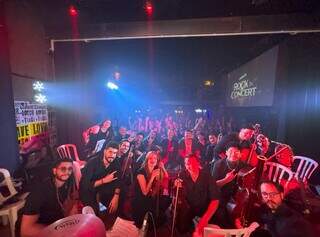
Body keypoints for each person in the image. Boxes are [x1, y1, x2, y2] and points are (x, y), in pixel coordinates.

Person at [18, 158, 79, 237]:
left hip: (54, 226)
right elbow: (26, 231)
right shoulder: (40, 191)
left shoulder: (67, 186)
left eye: (70, 169)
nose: (67, 172)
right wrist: (60, 231)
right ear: (54, 171)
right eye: (63, 169)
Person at [174, 154, 220, 236]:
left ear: (198, 163)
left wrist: (204, 219)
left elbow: (215, 200)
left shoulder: (207, 176)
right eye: (187, 163)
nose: (190, 165)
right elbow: (176, 194)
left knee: (213, 229)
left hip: (204, 208)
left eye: (193, 162)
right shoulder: (182, 175)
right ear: (185, 165)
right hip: (188, 208)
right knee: (181, 228)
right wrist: (176, 186)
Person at [250, 181, 314, 237]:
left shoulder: (293, 221)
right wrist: (252, 227)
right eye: (264, 194)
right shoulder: (265, 209)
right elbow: (262, 218)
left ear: (281, 195)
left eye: (273, 194)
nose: (268, 198)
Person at [210, 142, 248, 227]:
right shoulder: (218, 164)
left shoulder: (243, 165)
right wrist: (226, 180)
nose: (233, 154)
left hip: (236, 197)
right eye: (231, 151)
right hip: (221, 196)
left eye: (236, 152)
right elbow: (213, 186)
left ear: (240, 154)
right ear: (226, 152)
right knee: (221, 217)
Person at [79, 141, 121, 215]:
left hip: (103, 187)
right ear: (105, 151)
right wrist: (103, 180)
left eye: (115, 153)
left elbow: (118, 179)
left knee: (120, 196)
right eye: (110, 152)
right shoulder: (92, 162)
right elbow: (85, 185)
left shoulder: (116, 162)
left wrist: (116, 196)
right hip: (89, 190)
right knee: (94, 213)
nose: (112, 155)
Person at [132, 151, 170, 228]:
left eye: (155, 158)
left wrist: (163, 167)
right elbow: (145, 192)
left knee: (167, 200)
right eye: (150, 158)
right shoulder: (140, 172)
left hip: (151, 197)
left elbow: (166, 178)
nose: (153, 160)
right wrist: (152, 177)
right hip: (141, 200)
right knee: (152, 221)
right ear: (147, 160)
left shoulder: (156, 169)